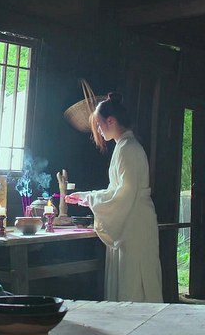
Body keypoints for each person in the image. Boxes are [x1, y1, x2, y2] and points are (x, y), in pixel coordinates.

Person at [66, 92, 162, 302]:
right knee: (129, 279)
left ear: (111, 121)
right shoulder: (124, 147)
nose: (99, 131)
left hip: (134, 224)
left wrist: (92, 200)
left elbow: (124, 195)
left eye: (100, 125)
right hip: (130, 219)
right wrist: (88, 197)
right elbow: (117, 191)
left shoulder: (129, 149)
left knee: (135, 281)